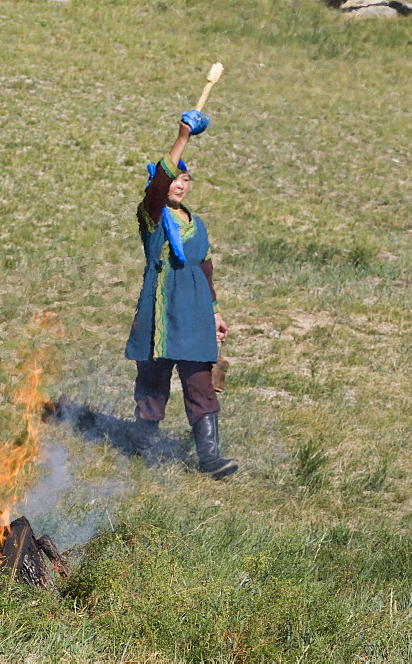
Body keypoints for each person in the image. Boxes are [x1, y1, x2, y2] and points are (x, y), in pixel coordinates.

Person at [125, 110, 238, 480]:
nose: (180, 185)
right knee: (154, 383)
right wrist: (183, 137)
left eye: (186, 179)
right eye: (176, 179)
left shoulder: (197, 224)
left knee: (201, 382)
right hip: (160, 308)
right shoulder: (151, 215)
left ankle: (210, 460)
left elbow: (204, 268)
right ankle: (143, 450)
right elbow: (159, 181)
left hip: (194, 310)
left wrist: (215, 312)